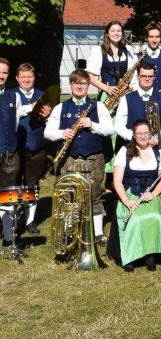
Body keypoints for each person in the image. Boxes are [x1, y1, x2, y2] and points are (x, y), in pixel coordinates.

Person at [44, 69, 114, 245]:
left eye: (83, 83)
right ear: (71, 84)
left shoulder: (99, 106)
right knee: (69, 195)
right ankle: (69, 230)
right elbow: (47, 132)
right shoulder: (61, 107)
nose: (80, 86)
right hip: (69, 158)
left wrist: (92, 124)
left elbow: (109, 129)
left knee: (95, 194)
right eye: (76, 83)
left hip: (93, 157)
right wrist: (62, 133)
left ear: (88, 85)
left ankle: (97, 233)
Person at [111, 119, 161, 271]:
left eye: (146, 133)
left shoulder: (159, 153)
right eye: (139, 133)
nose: (142, 136)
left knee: (156, 216)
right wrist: (126, 200)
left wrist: (154, 194)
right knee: (135, 218)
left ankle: (150, 254)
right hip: (130, 193)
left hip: (151, 195)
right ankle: (130, 255)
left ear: (151, 135)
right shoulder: (124, 152)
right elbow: (117, 181)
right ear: (134, 135)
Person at [11, 62, 51, 235]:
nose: (27, 80)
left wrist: (48, 116)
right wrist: (30, 108)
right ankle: (9, 220)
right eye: (23, 77)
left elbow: (52, 123)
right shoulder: (10, 95)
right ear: (17, 78)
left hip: (36, 147)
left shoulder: (43, 95)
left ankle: (29, 220)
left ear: (34, 78)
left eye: (30, 77)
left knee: (32, 185)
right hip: (14, 147)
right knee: (11, 184)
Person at [115, 62, 161, 150]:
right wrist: (135, 137)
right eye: (143, 76)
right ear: (138, 77)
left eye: (150, 76)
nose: (147, 79)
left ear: (154, 78)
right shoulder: (126, 98)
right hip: (133, 147)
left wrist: (157, 139)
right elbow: (118, 125)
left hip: (155, 147)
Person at [86, 20, 138, 100]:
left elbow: (133, 74)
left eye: (119, 31)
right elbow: (89, 76)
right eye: (113, 31)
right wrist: (107, 88)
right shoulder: (98, 50)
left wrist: (129, 86)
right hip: (107, 96)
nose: (116, 33)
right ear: (107, 34)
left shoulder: (128, 50)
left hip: (125, 94)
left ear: (122, 34)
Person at [0, 58, 20, 246]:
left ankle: (8, 238)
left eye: (5, 72)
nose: (1, 75)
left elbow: (17, 119)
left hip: (9, 154)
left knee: (7, 197)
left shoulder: (13, 96)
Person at [142, 22, 161, 94]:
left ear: (160, 38)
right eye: (151, 37)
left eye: (157, 37)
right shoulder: (139, 57)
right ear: (146, 38)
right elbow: (134, 80)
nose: (154, 40)